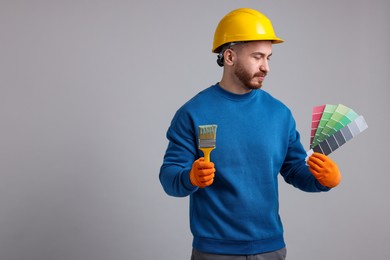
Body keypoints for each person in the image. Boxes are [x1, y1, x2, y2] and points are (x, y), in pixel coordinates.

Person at [159, 8, 341, 260]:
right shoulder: (193, 113)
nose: (266, 67)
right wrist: (190, 177)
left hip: (271, 249)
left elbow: (295, 171)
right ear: (230, 56)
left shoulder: (280, 114)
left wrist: (323, 181)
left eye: (268, 57)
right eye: (257, 57)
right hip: (214, 251)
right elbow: (169, 178)